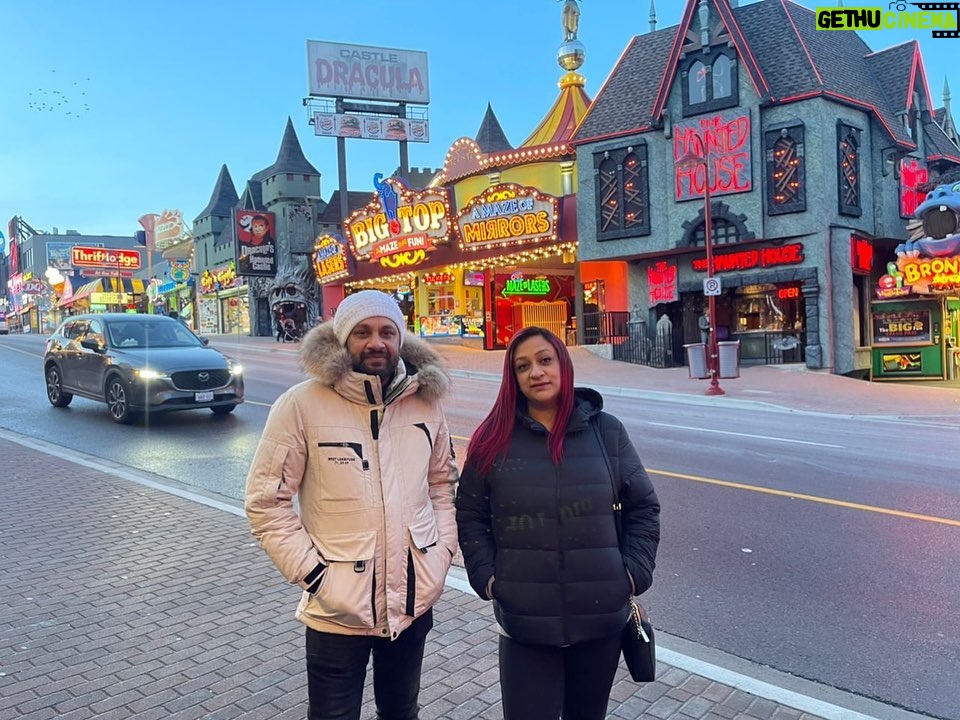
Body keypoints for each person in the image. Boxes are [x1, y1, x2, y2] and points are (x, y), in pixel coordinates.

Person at [245, 289, 459, 720]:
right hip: (337, 609)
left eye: (386, 332)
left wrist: (440, 557)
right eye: (362, 332)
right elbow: (267, 503)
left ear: (400, 339)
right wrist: (316, 576)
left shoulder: (426, 404)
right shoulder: (300, 405)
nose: (375, 342)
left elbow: (442, 486)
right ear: (343, 339)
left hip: (412, 602)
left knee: (401, 712)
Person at [456, 326, 660, 720]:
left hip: (600, 619)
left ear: (563, 366)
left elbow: (643, 507)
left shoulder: (606, 431)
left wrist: (633, 576)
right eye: (522, 366)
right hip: (525, 624)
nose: (536, 372)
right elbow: (470, 514)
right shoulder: (492, 439)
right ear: (512, 378)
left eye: (545, 360)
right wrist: (488, 578)